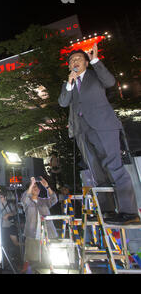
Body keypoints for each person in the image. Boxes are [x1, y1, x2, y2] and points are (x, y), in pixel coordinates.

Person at [58, 44, 140, 225]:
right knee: (96, 172)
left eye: (78, 59)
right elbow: (63, 102)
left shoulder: (95, 76)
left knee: (114, 167)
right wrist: (69, 84)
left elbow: (111, 82)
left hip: (103, 127)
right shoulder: (69, 84)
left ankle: (129, 212)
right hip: (82, 131)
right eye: (71, 61)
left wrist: (96, 60)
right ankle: (107, 211)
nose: (74, 62)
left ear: (86, 62)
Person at [21, 177, 57, 272]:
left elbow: (54, 199)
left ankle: (52, 269)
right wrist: (32, 184)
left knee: (50, 255)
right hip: (32, 233)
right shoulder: (28, 202)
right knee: (30, 257)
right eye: (34, 187)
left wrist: (47, 186)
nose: (36, 189)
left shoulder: (43, 201)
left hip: (46, 233)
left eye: (37, 187)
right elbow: (24, 198)